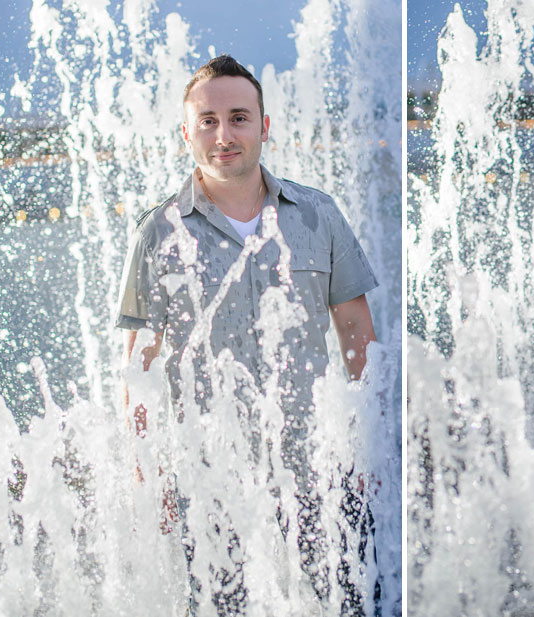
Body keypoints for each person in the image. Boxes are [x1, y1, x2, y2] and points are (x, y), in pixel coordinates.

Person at [115, 55, 379, 612]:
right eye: (207, 121)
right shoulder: (157, 232)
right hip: (212, 475)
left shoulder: (318, 214)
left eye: (238, 117)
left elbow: (356, 330)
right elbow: (139, 363)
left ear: (264, 125)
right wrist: (146, 468)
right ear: (186, 132)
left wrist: (365, 443)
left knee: (350, 602)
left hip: (320, 465)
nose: (223, 135)